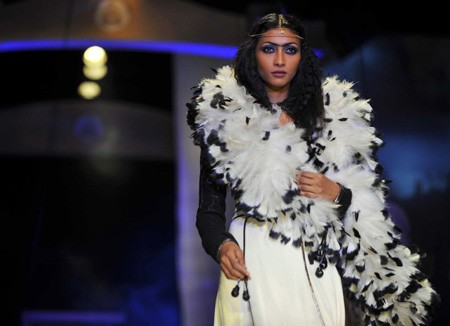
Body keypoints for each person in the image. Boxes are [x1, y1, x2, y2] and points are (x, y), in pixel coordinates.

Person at [186, 13, 438, 326]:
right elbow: (208, 210)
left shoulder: (333, 119)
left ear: (302, 56)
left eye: (289, 50)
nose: (279, 60)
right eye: (269, 49)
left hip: (317, 257)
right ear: (253, 54)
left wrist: (338, 194)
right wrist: (221, 245)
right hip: (254, 256)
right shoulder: (225, 120)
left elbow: (367, 210)